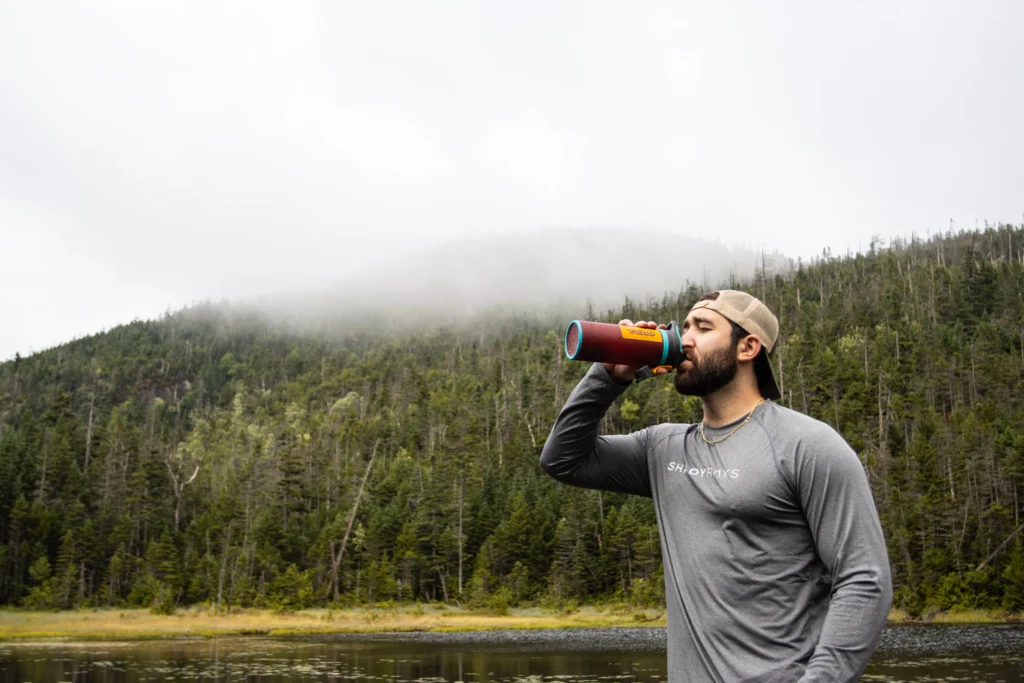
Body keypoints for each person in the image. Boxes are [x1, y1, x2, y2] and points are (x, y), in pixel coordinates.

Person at [540, 290, 892, 683]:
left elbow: (865, 580)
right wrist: (607, 376)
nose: (686, 338)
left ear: (747, 347)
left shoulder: (807, 445)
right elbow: (564, 460)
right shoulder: (662, 448)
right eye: (685, 326)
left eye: (703, 328)